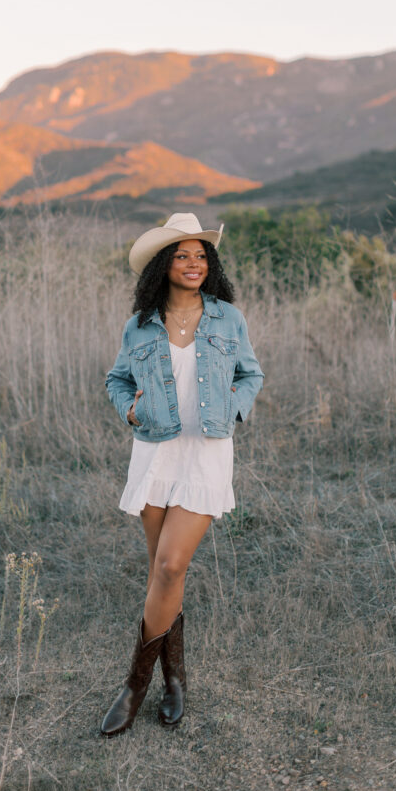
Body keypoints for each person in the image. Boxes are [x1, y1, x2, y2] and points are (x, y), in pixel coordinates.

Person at [101, 212, 264, 737]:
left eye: (201, 255)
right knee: (161, 577)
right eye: (181, 254)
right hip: (154, 452)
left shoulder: (227, 319)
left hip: (205, 455)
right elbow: (117, 378)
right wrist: (128, 410)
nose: (193, 263)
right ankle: (175, 680)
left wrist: (235, 409)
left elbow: (251, 372)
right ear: (162, 265)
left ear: (209, 265)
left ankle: (134, 685)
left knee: (170, 567)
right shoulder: (139, 325)